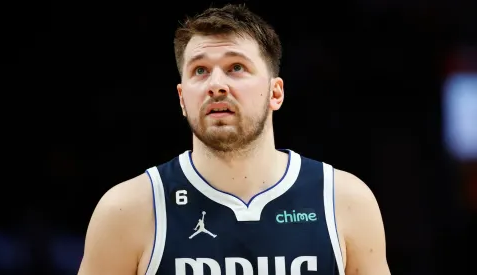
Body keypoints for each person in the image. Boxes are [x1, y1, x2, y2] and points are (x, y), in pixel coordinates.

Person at [78, 4, 391, 275]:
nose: (216, 85)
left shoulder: (344, 202)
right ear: (182, 98)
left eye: (236, 67)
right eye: (200, 70)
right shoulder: (126, 210)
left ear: (275, 92)